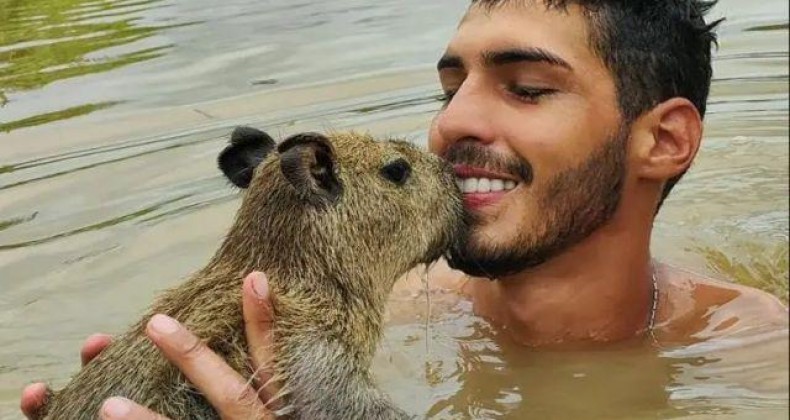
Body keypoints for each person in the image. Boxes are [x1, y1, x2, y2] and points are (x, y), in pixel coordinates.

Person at [21, 0, 789, 418]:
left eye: (526, 88)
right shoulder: (404, 310)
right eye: (448, 89)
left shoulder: (760, 359)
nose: (451, 124)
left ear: (665, 140)